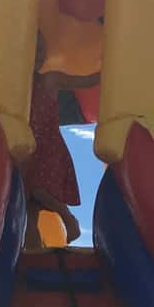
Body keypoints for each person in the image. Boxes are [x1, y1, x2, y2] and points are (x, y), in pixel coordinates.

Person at [23, 34, 100, 249]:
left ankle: (69, 219)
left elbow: (85, 81)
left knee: (38, 188)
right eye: (32, 49)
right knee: (29, 206)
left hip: (46, 146)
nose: (37, 55)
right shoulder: (15, 86)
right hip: (27, 148)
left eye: (41, 50)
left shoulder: (50, 79)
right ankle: (33, 250)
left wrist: (108, 71)